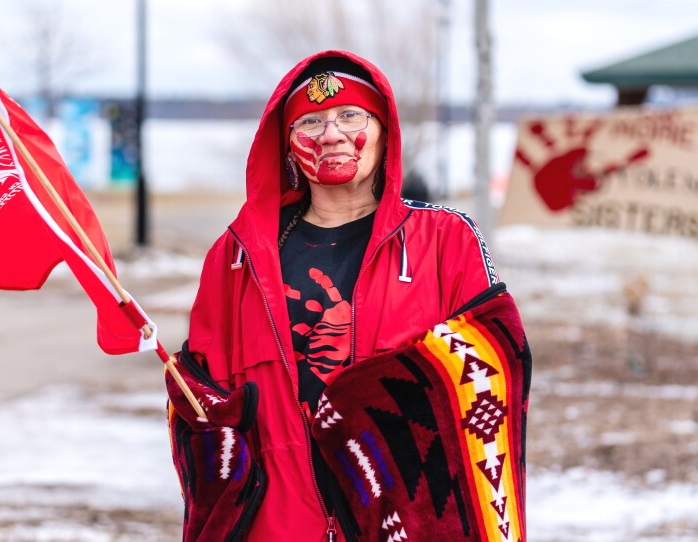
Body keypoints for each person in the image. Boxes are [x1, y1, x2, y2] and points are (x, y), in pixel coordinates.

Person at [166, 50, 530, 541]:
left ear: (383, 129)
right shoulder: (235, 257)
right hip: (278, 524)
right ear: (288, 144)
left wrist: (371, 402)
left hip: (409, 519)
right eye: (310, 122)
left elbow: (497, 366)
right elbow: (203, 409)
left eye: (349, 116)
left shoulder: (445, 239)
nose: (331, 133)